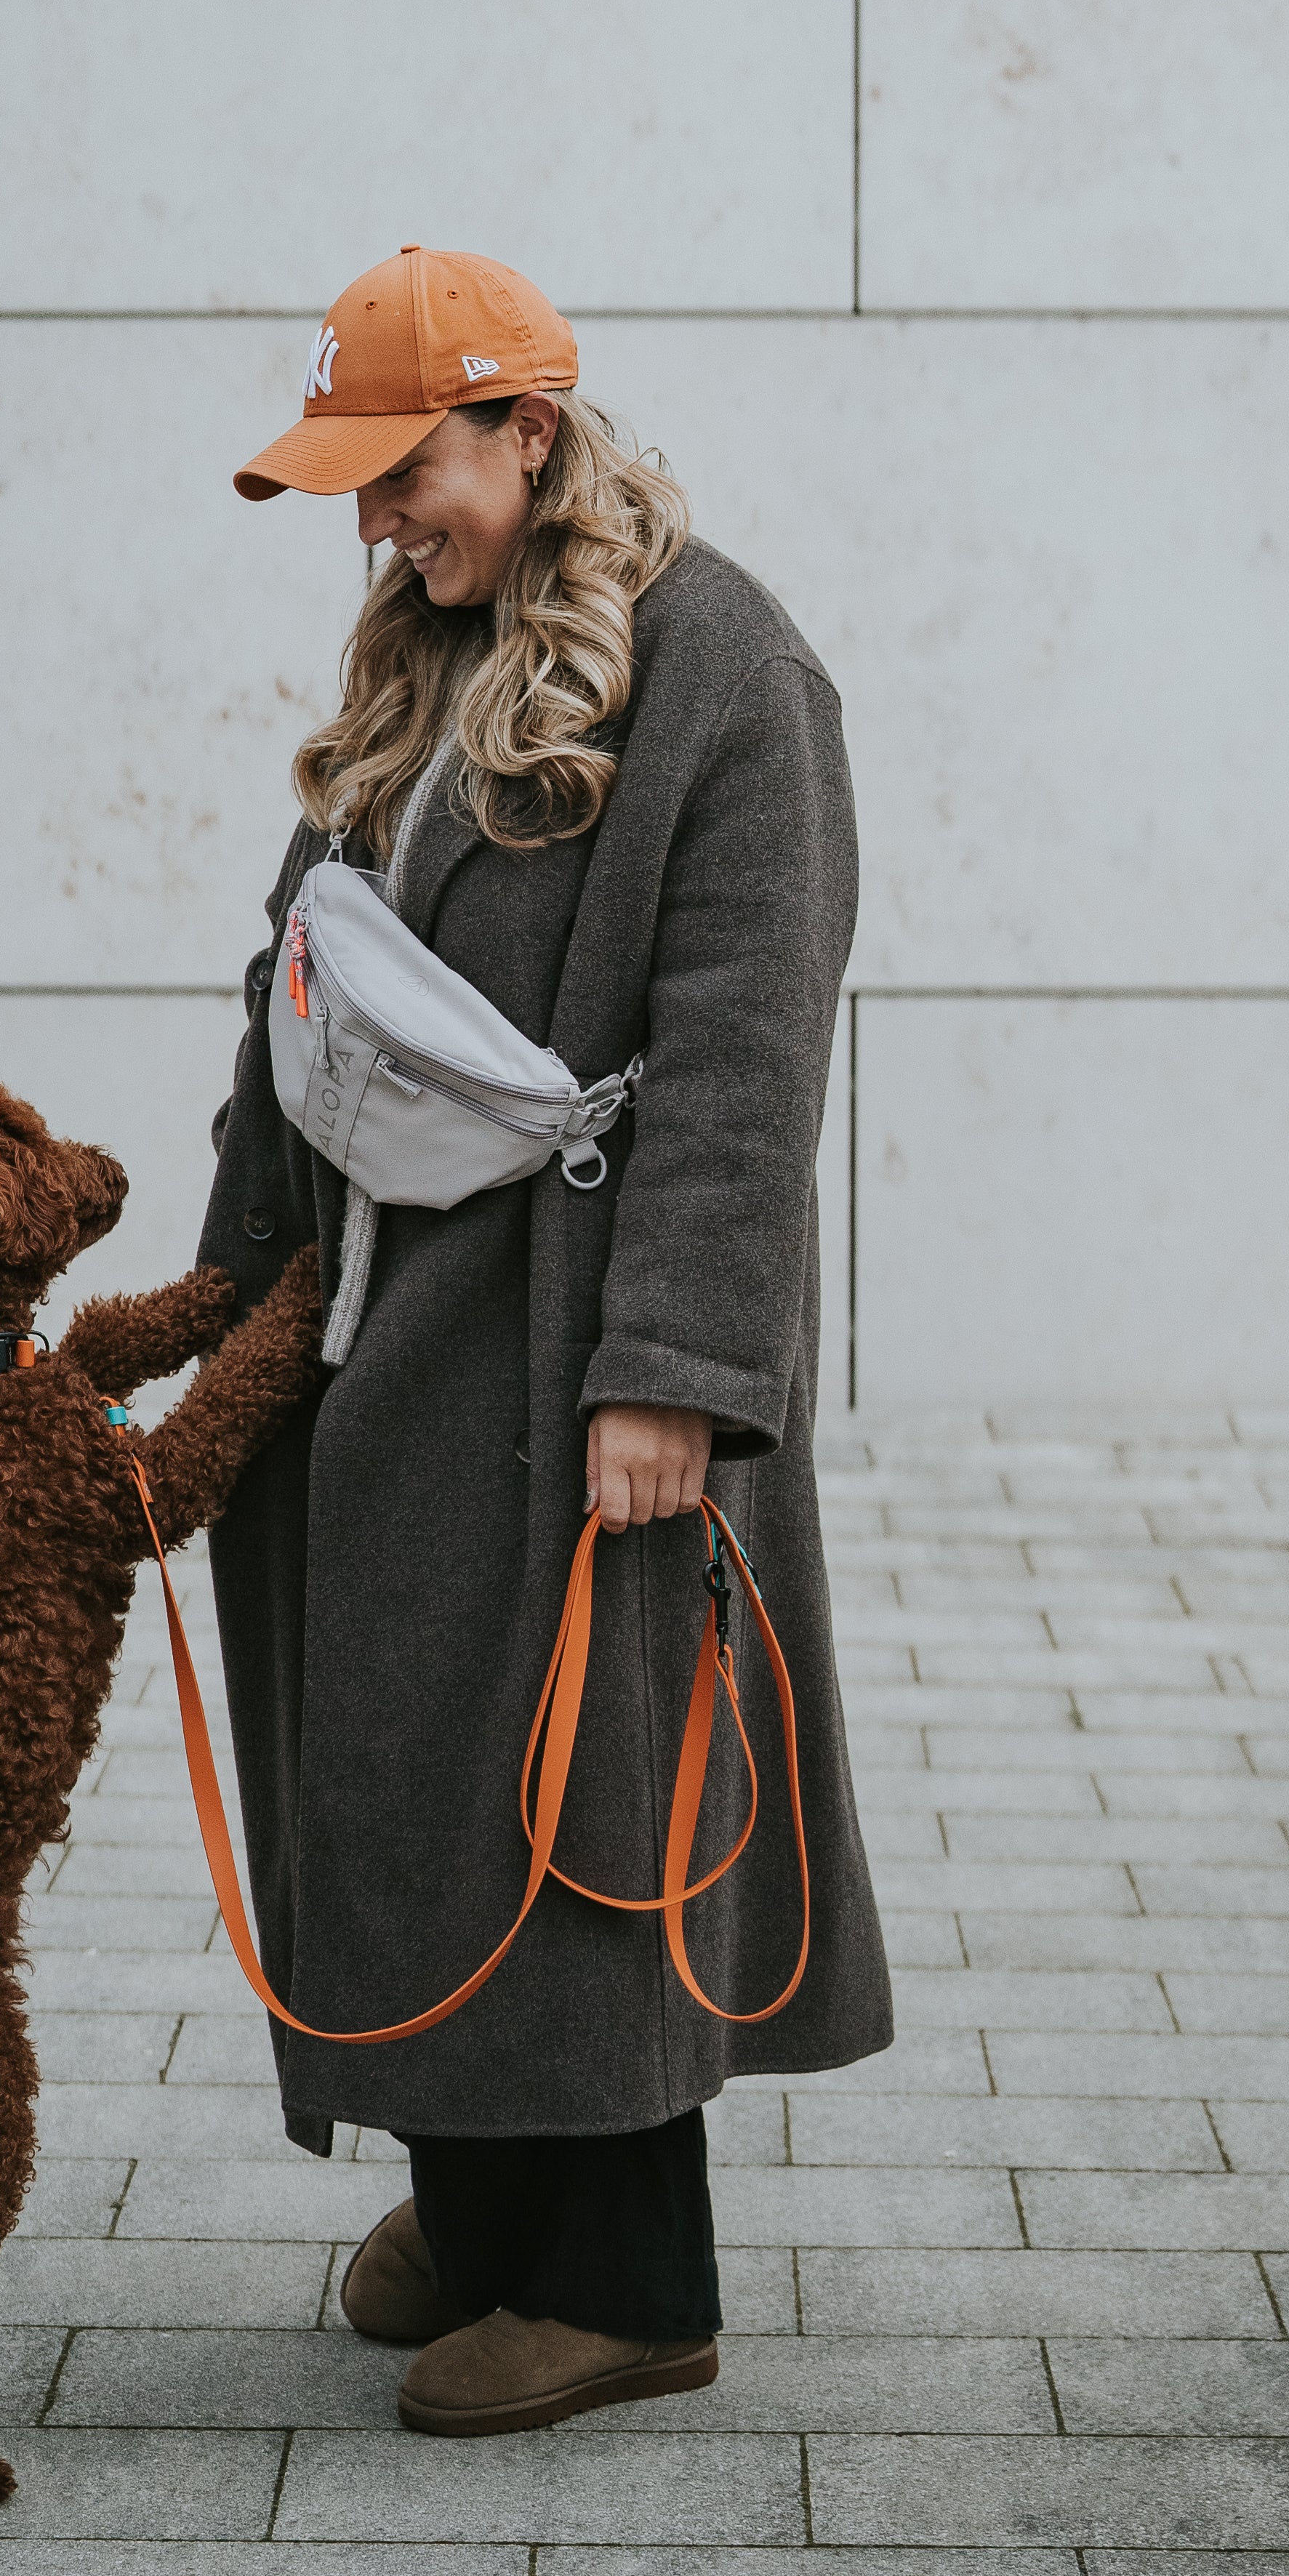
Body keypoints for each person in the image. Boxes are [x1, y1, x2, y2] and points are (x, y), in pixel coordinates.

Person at [196, 242, 893, 2437]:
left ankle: (622, 2278)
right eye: (354, 482)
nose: (377, 519)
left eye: (406, 471)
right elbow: (292, 1013)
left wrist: (675, 1380)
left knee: (580, 1770)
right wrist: (213, 1341)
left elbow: (744, 1058)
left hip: (572, 1353)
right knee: (401, 1759)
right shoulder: (423, 659)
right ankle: (480, 2198)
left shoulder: (725, 669)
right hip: (379, 1348)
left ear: (528, 429)